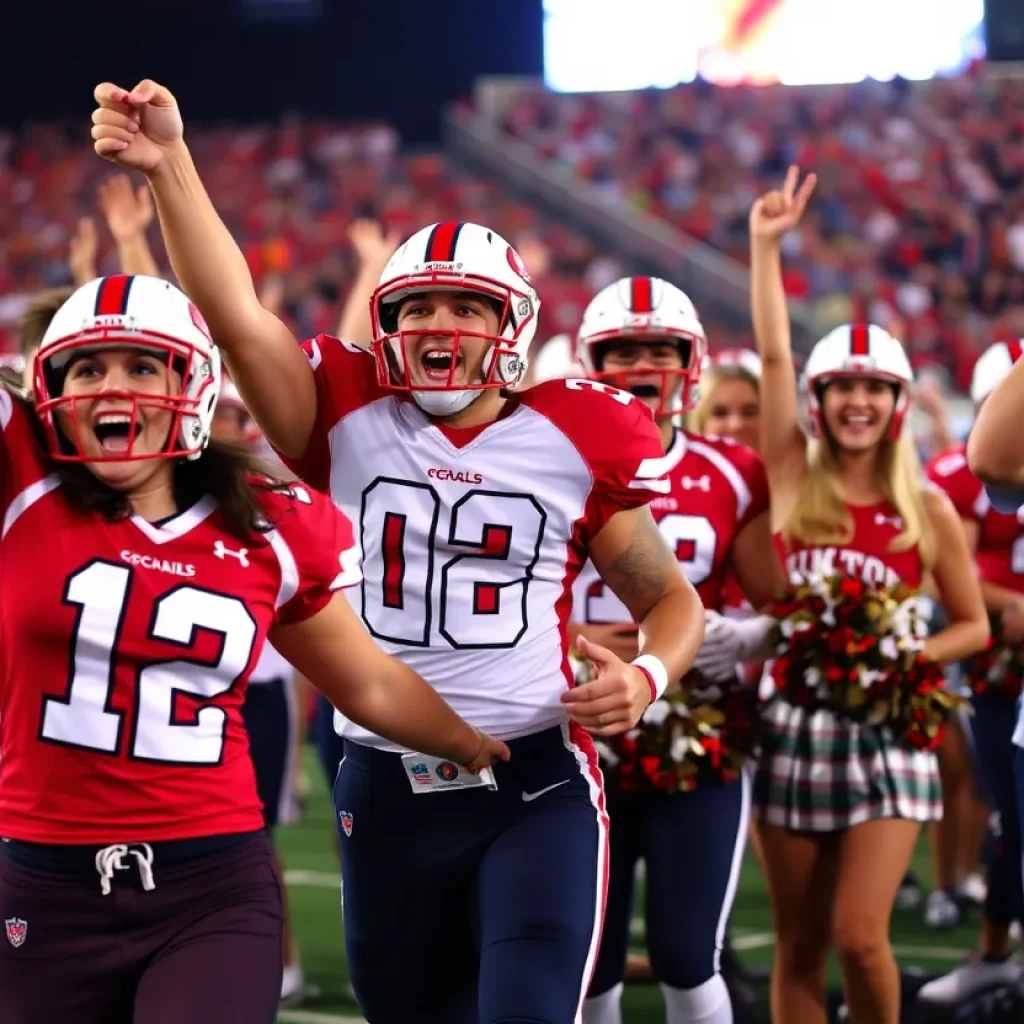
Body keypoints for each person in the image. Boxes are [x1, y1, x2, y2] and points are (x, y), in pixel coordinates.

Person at [91, 79, 706, 1024]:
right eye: (419, 306)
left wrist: (651, 678)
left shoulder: (575, 437)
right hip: (381, 782)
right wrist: (172, 162)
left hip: (533, 784)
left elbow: (672, 602)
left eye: (467, 307)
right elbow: (233, 311)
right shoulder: (346, 412)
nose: (439, 328)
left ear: (513, 327)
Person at [0, 274, 507, 1024]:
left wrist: (471, 744)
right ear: (50, 390)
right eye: (88, 368)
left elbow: (363, 682)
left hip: (210, 880)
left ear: (197, 386)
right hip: (42, 879)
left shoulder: (267, 526)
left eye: (143, 366)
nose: (113, 387)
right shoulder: (23, 487)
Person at [740, 167, 988, 1024]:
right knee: (799, 944)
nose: (856, 401)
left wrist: (901, 655)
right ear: (818, 401)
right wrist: (766, 248)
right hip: (792, 727)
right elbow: (772, 354)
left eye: (873, 389)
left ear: (896, 405)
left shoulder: (929, 509)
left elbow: (972, 625)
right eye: (840, 387)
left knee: (859, 937)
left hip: (889, 734)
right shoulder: (786, 476)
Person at [569, 277, 785, 1024]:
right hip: (576, 728)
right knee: (587, 957)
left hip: (695, 733)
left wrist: (742, 636)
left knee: (689, 952)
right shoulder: (545, 458)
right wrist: (576, 643)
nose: (641, 365)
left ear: (690, 362)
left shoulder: (733, 469)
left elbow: (778, 605)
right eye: (622, 350)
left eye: (659, 348)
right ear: (590, 360)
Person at [917, 341, 1024, 1007]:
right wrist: (1010, 606)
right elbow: (942, 568)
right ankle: (974, 922)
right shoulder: (973, 463)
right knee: (988, 801)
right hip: (996, 660)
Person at [210, 380, 307, 1005]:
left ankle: (284, 961)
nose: (222, 422)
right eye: (215, 410)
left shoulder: (271, 498)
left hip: (259, 691)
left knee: (255, 841)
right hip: (197, 693)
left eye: (230, 411)